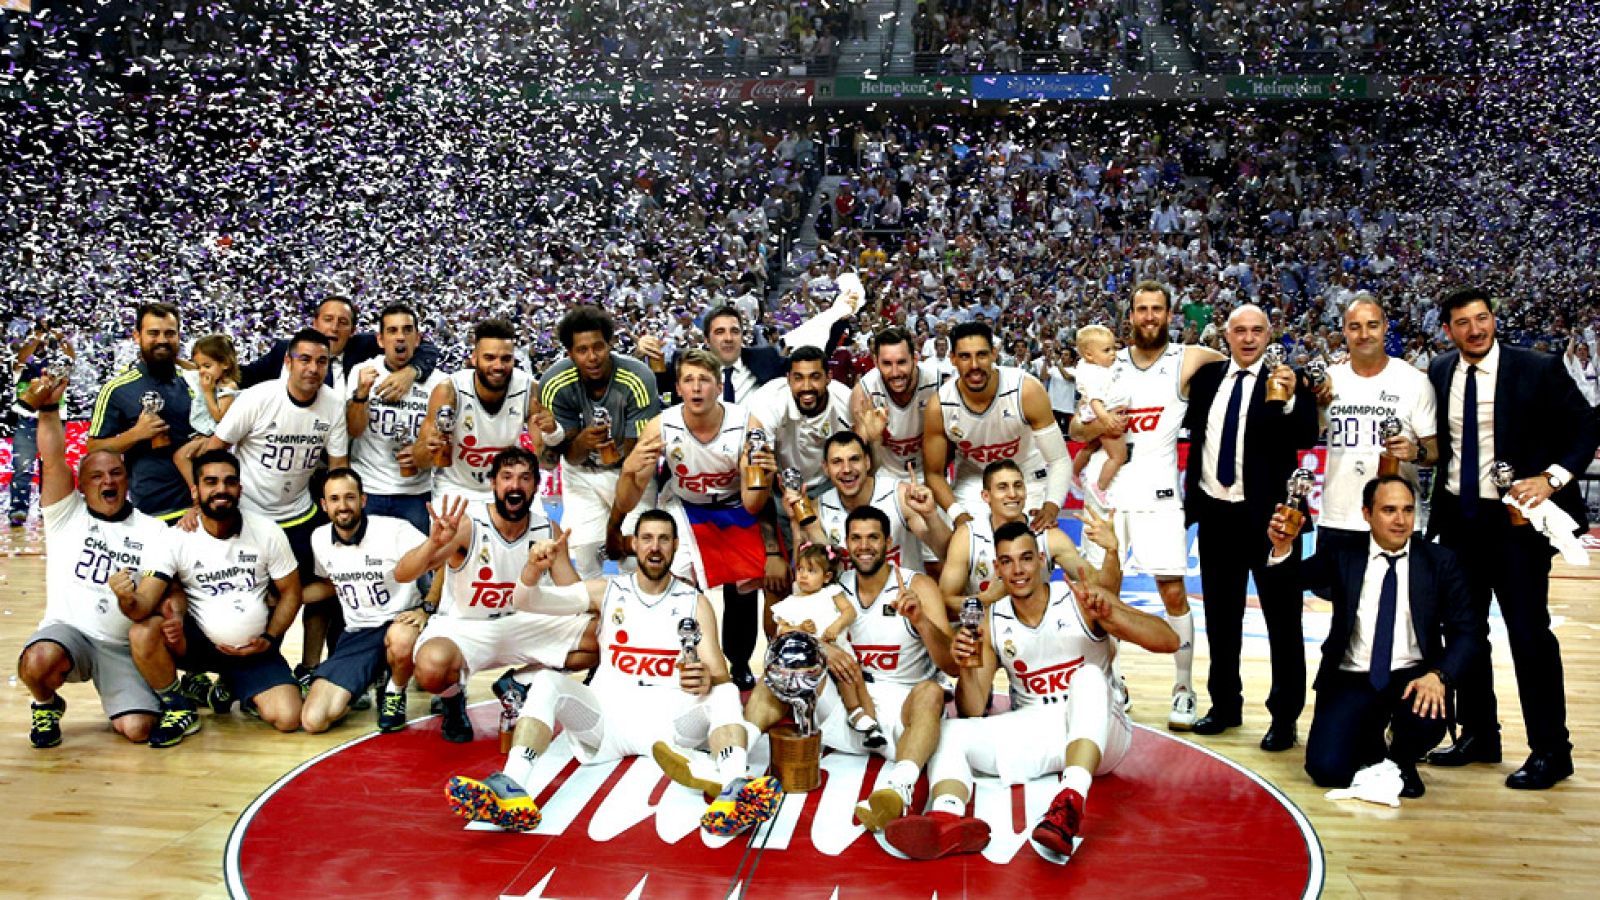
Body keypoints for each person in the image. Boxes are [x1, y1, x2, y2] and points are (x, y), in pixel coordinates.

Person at [443, 512, 779, 836]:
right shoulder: (607, 591)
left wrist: (707, 679)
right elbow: (527, 601)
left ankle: (734, 788)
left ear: (676, 545)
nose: (655, 547)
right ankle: (512, 786)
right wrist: (532, 569)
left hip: (671, 728)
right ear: (634, 544)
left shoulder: (694, 601)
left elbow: (720, 675)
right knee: (546, 681)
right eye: (647, 538)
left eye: (664, 539)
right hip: (605, 723)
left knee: (725, 693)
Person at [656, 506, 959, 838]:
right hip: (841, 709)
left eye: (873, 538)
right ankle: (733, 770)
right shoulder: (833, 584)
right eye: (856, 538)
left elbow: (951, 665)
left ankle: (897, 788)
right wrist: (821, 646)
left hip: (899, 715)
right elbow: (782, 633)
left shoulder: (917, 585)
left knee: (932, 692)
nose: (864, 546)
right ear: (846, 543)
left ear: (888, 542)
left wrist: (920, 620)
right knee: (778, 674)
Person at [887, 523, 1178, 862]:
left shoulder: (1080, 598)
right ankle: (946, 817)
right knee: (951, 731)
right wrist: (966, 665)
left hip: (1101, 731)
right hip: (1040, 726)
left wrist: (1114, 616)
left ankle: (1069, 802)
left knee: (1087, 677)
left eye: (1026, 558)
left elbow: (1168, 640)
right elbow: (972, 708)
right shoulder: (992, 620)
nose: (1018, 570)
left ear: (1041, 560)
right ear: (997, 569)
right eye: (1007, 562)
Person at [1424, 286, 1600, 790]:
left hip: (1517, 525)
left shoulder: (1536, 367)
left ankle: (1552, 751)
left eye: (1482, 318)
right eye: (1463, 322)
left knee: (1528, 635)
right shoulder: (1439, 371)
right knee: (1465, 633)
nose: (1475, 329)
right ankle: (1480, 735)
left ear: (1493, 320)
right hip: (1459, 521)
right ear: (1448, 330)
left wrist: (1551, 479)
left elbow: (1586, 427)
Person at [1263, 476, 1483, 798]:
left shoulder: (1440, 561)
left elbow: (1469, 632)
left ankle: (1401, 758)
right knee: (1327, 770)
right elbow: (1287, 583)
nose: (1400, 520)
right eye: (1389, 510)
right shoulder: (1343, 553)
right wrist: (1283, 548)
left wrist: (1440, 675)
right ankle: (1372, 745)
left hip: (1413, 677)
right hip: (1353, 675)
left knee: (1426, 719)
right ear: (1367, 514)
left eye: (1408, 510)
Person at [1071, 280, 1225, 731]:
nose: (1150, 316)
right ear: (1131, 316)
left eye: (1157, 308)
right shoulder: (1107, 362)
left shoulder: (1186, 358)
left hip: (1158, 491)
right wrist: (1100, 424)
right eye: (1142, 309)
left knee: (1173, 592)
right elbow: (1077, 430)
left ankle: (1183, 688)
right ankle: (1112, 682)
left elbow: (1235, 357)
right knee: (1101, 592)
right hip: (1108, 494)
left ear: (1169, 314)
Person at [1182, 304, 1319, 750]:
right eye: (1239, 330)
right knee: (1221, 620)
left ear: (1269, 334)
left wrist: (1291, 396)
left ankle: (1284, 717)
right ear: (1226, 335)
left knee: (1283, 622)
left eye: (1256, 330)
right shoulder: (1207, 378)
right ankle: (1224, 705)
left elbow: (1305, 435)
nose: (1248, 338)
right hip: (1216, 515)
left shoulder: (1289, 378)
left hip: (1273, 521)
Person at [611, 349, 778, 690]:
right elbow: (629, 496)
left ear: (719, 387)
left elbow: (753, 504)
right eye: (689, 380)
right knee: (676, 584)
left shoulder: (747, 425)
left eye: (704, 380)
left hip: (735, 507)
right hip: (685, 506)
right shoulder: (661, 425)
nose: (697, 387)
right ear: (679, 388)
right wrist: (628, 470)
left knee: (744, 587)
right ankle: (681, 658)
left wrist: (760, 477)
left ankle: (739, 661)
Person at [410, 448, 598, 743]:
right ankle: (453, 701)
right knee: (431, 667)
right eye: (507, 477)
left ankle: (519, 682)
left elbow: (575, 598)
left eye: (525, 478)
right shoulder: (467, 525)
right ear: (493, 484)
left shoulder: (547, 529)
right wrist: (432, 545)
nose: (515, 485)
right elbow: (403, 573)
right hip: (469, 627)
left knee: (603, 634)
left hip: (525, 624)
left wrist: (606, 605)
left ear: (536, 486)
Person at [15, 371, 161, 747]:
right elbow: (52, 460)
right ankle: (46, 704)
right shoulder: (66, 513)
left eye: (115, 474)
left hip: (120, 647)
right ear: (81, 485)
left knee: (138, 730)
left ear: (127, 480)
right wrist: (50, 409)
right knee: (37, 661)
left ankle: (143, 696)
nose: (107, 481)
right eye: (96, 476)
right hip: (70, 634)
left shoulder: (153, 530)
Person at [121, 449, 306, 746]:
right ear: (195, 491)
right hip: (195, 645)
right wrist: (127, 598)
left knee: (288, 718)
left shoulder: (267, 532)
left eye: (229, 482)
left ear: (240, 489)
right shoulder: (175, 538)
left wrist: (270, 638)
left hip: (253, 650)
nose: (221, 489)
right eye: (211, 482)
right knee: (142, 632)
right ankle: (178, 706)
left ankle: (237, 687)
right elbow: (142, 605)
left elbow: (291, 592)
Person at [201, 328, 350, 673]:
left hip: (299, 514)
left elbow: (339, 468)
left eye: (321, 361)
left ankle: (309, 667)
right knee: (251, 604)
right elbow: (214, 450)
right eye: (305, 359)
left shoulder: (332, 404)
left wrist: (339, 514)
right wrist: (201, 504)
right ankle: (243, 673)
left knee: (329, 584)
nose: (313, 368)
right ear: (288, 362)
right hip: (250, 513)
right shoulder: (258, 398)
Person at [301, 469, 456, 734]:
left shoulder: (394, 530)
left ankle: (395, 692)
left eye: (350, 497)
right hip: (358, 633)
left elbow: (445, 561)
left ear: (363, 500)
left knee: (401, 638)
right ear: (324, 505)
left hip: (400, 621)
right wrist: (285, 600)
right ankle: (371, 679)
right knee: (313, 720)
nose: (343, 506)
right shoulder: (319, 539)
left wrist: (427, 607)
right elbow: (329, 585)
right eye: (335, 499)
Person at [538, 305, 663, 577]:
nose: (592, 357)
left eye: (598, 347)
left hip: (630, 470)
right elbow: (567, 457)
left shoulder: (638, 378)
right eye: (582, 350)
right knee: (585, 555)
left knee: (635, 555)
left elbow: (637, 460)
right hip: (582, 473)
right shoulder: (554, 383)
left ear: (610, 344)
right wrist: (583, 441)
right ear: (569, 353)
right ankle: (592, 605)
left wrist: (615, 525)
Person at [1313, 294, 1438, 554]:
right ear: (1344, 330)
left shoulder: (1414, 381)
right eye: (1355, 326)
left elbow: (1434, 452)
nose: (1364, 334)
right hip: (1338, 518)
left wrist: (1416, 453)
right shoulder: (1328, 380)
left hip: (1398, 520)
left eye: (1372, 325)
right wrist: (1314, 405)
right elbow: (1306, 435)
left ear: (1385, 327)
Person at [922, 320, 1071, 535]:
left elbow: (1059, 459)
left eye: (982, 355)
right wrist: (958, 516)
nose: (974, 365)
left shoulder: (1025, 389)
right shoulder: (940, 405)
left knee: (1031, 547)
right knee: (969, 546)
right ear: (952, 358)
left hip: (1026, 476)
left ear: (994, 354)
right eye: (965, 356)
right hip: (975, 480)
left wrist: (1051, 506)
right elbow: (933, 473)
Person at [87, 302, 200, 521]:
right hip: (152, 514)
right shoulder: (117, 389)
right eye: (153, 333)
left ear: (179, 336)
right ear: (137, 336)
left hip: (202, 510)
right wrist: (135, 434)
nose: (162, 340)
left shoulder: (196, 382)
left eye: (170, 333)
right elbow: (93, 448)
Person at [416, 319, 544, 509]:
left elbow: (546, 457)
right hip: (457, 488)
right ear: (474, 358)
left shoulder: (529, 389)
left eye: (506, 359)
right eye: (489, 358)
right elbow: (420, 459)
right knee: (452, 529)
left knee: (544, 529)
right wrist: (429, 448)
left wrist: (551, 436)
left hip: (507, 486)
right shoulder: (450, 390)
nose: (498, 366)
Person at [786, 431, 950, 577]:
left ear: (867, 462)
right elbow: (808, 577)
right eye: (837, 462)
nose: (847, 469)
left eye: (854, 459)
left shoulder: (901, 496)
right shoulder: (816, 510)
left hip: (904, 597)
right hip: (848, 600)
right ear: (826, 468)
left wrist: (930, 515)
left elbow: (945, 553)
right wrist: (796, 524)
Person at [770, 541, 884, 748]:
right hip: (812, 661)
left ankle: (868, 723)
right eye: (800, 569)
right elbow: (781, 630)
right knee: (839, 679)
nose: (803, 575)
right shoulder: (789, 603)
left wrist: (836, 625)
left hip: (839, 649)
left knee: (853, 679)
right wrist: (800, 629)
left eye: (811, 571)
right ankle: (851, 713)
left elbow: (849, 612)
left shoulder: (830, 592)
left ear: (827, 576)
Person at [345, 304, 446, 535]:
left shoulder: (440, 382)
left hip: (416, 492)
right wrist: (361, 395)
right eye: (392, 330)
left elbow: (442, 443)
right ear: (380, 340)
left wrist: (423, 453)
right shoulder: (363, 371)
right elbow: (354, 430)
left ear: (417, 338)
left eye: (407, 330)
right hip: (369, 488)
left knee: (418, 557)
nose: (400, 337)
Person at [239, 295, 441, 402]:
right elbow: (244, 376)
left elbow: (425, 347)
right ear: (314, 324)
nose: (334, 327)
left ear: (353, 331)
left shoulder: (362, 348)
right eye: (328, 319)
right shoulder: (286, 350)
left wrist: (411, 371)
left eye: (343, 322)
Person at [850, 326, 942, 479]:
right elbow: (858, 457)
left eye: (901, 362)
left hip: (930, 471)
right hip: (885, 474)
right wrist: (871, 439)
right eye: (887, 363)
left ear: (915, 359)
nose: (895, 372)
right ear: (876, 362)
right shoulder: (864, 392)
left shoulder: (936, 383)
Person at [8, 321, 72, 527]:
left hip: (54, 419)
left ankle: (49, 507)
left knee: (52, 466)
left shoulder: (58, 362)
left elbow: (71, 359)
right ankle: (18, 510)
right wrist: (37, 337)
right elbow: (21, 358)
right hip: (27, 419)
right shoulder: (20, 362)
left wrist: (61, 338)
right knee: (22, 466)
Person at [1070, 325, 1129, 508]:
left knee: (1091, 446)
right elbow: (1095, 400)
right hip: (1103, 413)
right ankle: (1101, 487)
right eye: (1107, 350)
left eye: (1114, 348)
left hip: (1098, 413)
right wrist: (1106, 420)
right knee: (1118, 456)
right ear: (1089, 355)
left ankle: (1074, 473)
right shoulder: (1093, 374)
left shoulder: (1092, 366)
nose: (1113, 354)